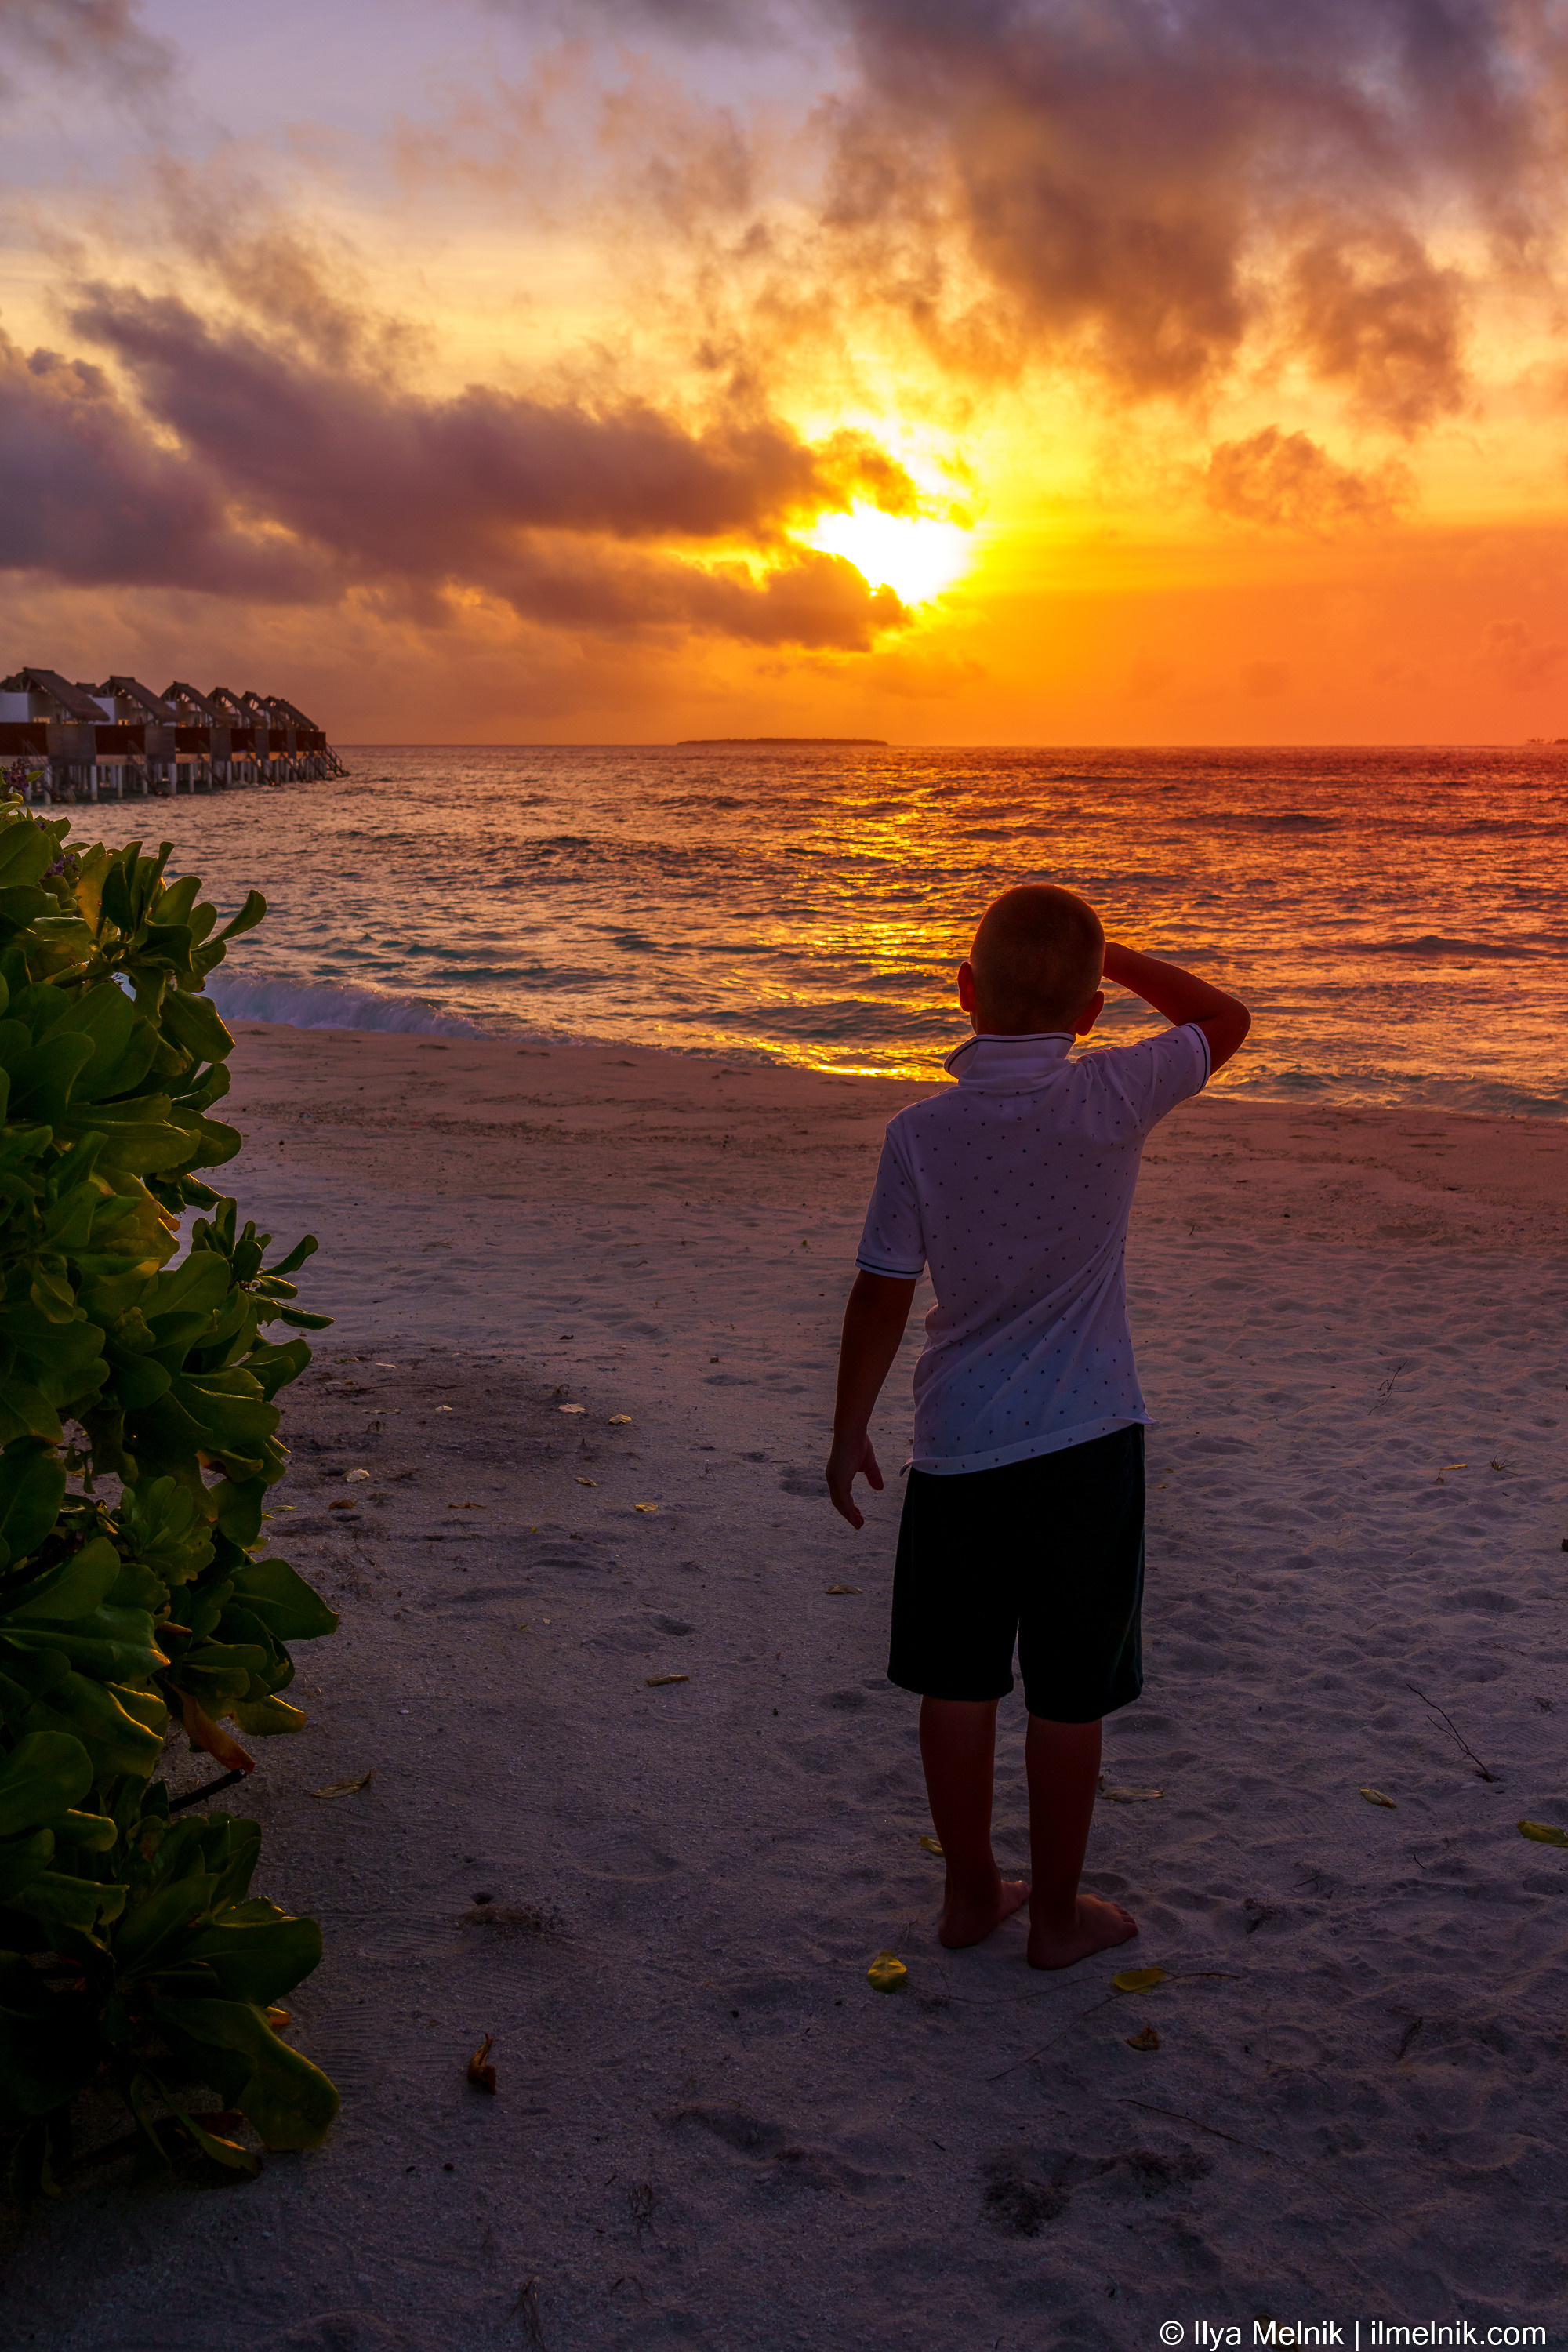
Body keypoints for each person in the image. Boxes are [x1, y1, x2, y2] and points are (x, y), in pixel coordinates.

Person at [825, 884, 1250, 1969]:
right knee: (1071, 1696)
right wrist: (1126, 963)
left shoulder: (919, 1132)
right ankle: (1056, 1917)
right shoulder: (1112, 1092)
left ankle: (972, 1896)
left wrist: (848, 1431)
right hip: (1089, 1442)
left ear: (964, 991)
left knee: (956, 1682)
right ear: (1094, 1015)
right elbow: (1224, 1021)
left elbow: (881, 1293)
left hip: (958, 1445)